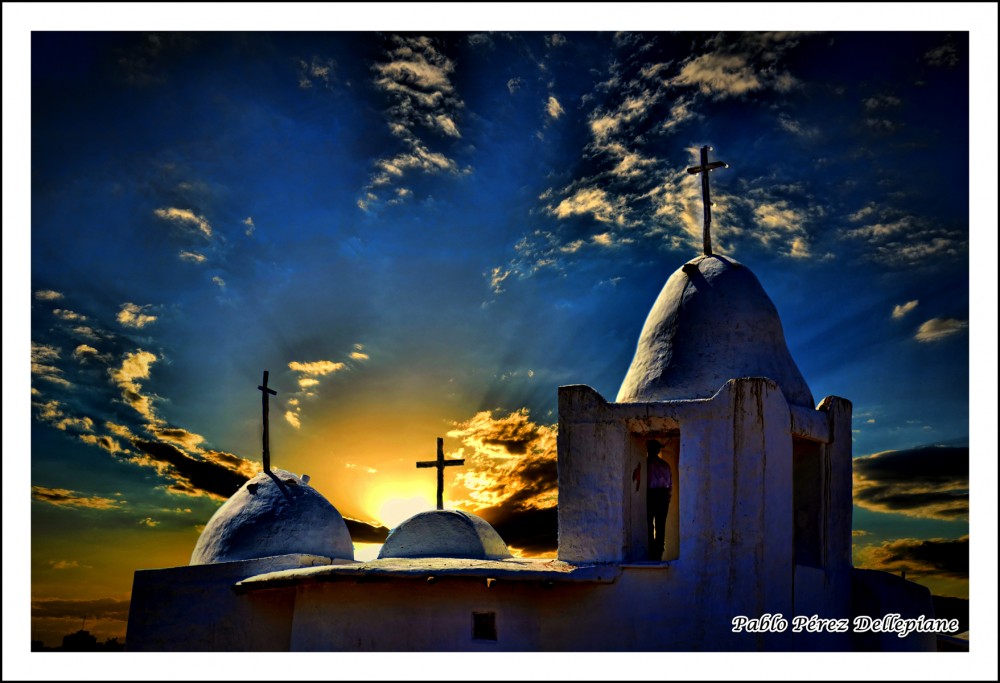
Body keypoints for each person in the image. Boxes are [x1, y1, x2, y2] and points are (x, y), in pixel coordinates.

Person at [646, 439, 672, 561]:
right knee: (660, 525)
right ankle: (658, 553)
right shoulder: (665, 465)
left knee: (649, 524)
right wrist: (667, 498)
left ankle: (652, 552)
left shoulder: (646, 464)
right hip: (663, 495)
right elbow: (670, 485)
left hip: (651, 495)